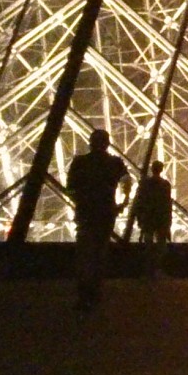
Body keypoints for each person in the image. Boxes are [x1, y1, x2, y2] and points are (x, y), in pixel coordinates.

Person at [66, 129, 129, 312]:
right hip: (106, 212)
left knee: (85, 254)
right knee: (100, 253)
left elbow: (70, 187)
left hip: (86, 213)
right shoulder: (115, 163)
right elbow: (126, 180)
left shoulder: (80, 162)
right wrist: (123, 202)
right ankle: (95, 292)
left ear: (90, 142)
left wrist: (78, 200)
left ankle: (84, 294)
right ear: (107, 143)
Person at [129, 160, 173, 280]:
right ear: (161, 169)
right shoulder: (165, 185)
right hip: (160, 219)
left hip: (148, 218)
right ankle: (158, 269)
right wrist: (168, 221)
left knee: (148, 246)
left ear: (151, 169)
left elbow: (139, 200)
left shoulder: (144, 183)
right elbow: (167, 204)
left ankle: (148, 271)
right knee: (160, 246)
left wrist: (138, 216)